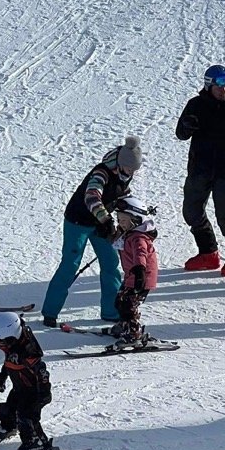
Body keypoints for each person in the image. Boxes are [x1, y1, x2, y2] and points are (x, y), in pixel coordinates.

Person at [42, 138, 143, 327]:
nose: (131, 173)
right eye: (130, 169)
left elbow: (124, 195)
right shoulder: (101, 173)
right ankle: (50, 312)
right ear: (121, 163)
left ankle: (111, 312)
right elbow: (92, 197)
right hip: (78, 221)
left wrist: (133, 213)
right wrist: (105, 219)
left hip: (100, 224)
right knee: (70, 264)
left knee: (111, 263)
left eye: (134, 170)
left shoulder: (124, 174)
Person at [175, 65, 225, 275]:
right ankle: (208, 253)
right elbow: (181, 134)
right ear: (209, 85)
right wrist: (187, 125)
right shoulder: (195, 105)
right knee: (192, 212)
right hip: (199, 169)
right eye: (220, 85)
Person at [0, 312, 54, 450]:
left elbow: (42, 372)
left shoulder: (28, 352)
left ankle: (36, 443)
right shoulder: (13, 345)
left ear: (10, 337)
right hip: (19, 388)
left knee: (27, 416)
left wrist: (44, 393)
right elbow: (9, 362)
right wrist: (3, 376)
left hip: (33, 391)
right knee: (6, 410)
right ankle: (10, 426)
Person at [111, 194, 159, 347]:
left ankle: (134, 334)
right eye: (119, 220)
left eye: (123, 220)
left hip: (141, 278)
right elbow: (115, 242)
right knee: (120, 301)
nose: (120, 223)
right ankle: (125, 326)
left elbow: (141, 255)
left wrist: (140, 271)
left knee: (129, 305)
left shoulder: (139, 238)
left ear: (136, 220)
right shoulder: (128, 234)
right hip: (131, 277)